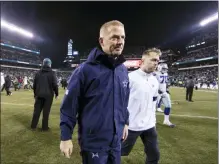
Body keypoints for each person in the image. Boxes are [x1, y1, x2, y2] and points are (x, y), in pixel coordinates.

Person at [60, 20, 129, 164]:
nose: (120, 41)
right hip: (93, 144)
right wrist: (66, 137)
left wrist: (126, 122)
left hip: (116, 141)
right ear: (102, 41)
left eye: (122, 37)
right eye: (115, 37)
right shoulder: (84, 70)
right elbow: (69, 106)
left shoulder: (122, 70)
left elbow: (124, 101)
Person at [121, 48, 160, 164]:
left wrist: (153, 121)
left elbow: (153, 103)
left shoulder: (154, 81)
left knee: (154, 155)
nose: (156, 63)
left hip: (149, 126)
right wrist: (123, 122)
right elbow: (120, 102)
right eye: (153, 60)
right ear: (143, 60)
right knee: (119, 152)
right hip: (131, 126)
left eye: (157, 61)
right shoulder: (130, 78)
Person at [30, 58, 59, 131]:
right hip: (48, 96)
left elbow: (34, 85)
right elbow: (55, 84)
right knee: (46, 112)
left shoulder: (38, 73)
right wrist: (56, 93)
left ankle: (33, 126)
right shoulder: (52, 73)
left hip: (39, 94)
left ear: (43, 64)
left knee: (36, 111)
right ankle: (44, 128)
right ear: (49, 64)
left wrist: (35, 94)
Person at [155, 63, 175, 128]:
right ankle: (152, 121)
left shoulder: (166, 74)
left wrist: (166, 89)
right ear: (159, 68)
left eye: (166, 69)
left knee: (168, 106)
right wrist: (157, 90)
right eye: (163, 68)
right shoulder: (155, 74)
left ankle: (166, 120)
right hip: (156, 93)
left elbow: (164, 83)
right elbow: (152, 83)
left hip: (164, 92)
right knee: (153, 107)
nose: (165, 70)